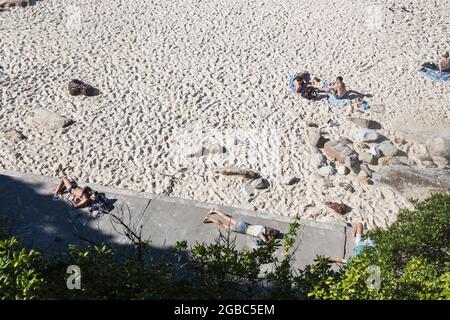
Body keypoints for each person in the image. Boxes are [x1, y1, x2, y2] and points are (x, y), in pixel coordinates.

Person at [203, 209, 280, 244]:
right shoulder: (260, 233)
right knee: (223, 225)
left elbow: (274, 232)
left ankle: (214, 210)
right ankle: (209, 218)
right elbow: (265, 241)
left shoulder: (263, 227)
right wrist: (269, 240)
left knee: (226, 218)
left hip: (243, 223)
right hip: (241, 229)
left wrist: (271, 235)